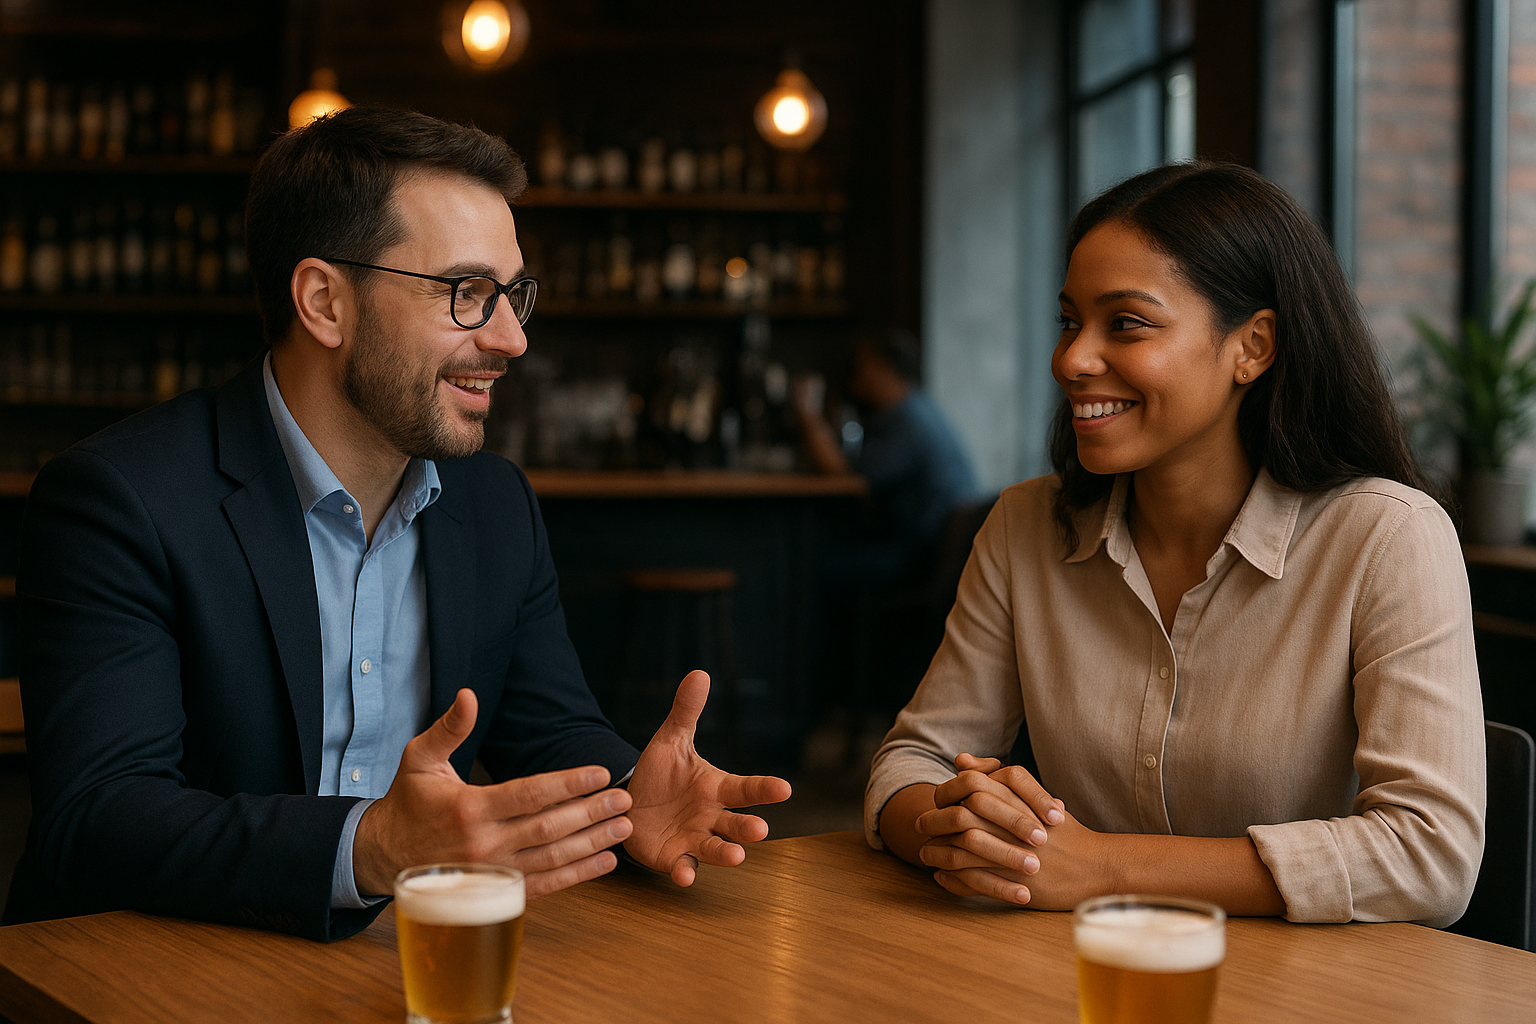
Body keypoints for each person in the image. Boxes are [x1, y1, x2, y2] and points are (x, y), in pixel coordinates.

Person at [5, 106, 790, 942]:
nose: (513, 338)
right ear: (324, 302)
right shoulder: (120, 499)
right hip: (145, 971)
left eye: (514, 293)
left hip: (393, 967)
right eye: (467, 293)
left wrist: (631, 795)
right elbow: (98, 818)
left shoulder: (493, 504)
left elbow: (548, 730)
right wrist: (367, 847)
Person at [865, 161, 1485, 927]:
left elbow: (1431, 854)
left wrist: (1101, 867)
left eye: (1125, 323)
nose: (1071, 360)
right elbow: (909, 765)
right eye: (1069, 321)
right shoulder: (1025, 527)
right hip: (1080, 983)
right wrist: (973, 831)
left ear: (1252, 347)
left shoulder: (1390, 538)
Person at [796, 328, 979, 589]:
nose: (856, 376)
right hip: (929, 545)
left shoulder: (909, 422)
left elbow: (841, 473)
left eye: (863, 367)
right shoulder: (916, 409)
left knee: (816, 564)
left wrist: (807, 410)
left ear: (883, 367)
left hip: (922, 554)